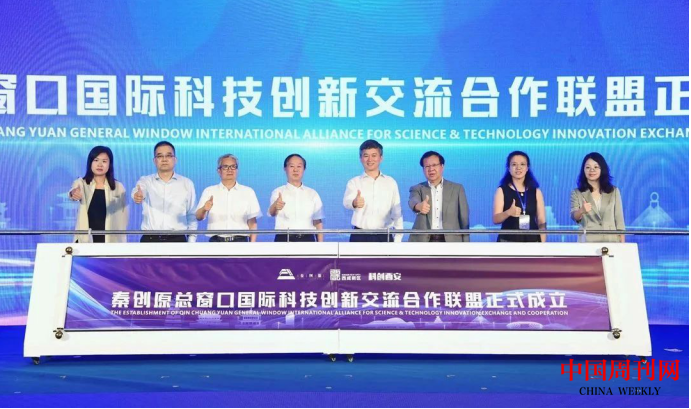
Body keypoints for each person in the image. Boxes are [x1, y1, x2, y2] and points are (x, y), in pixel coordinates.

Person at [132, 141, 197, 242]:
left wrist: (191, 241)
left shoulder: (187, 183)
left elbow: (191, 214)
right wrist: (137, 195)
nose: (164, 159)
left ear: (175, 159)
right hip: (150, 240)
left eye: (169, 155)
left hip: (177, 240)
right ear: (154, 161)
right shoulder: (146, 181)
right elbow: (138, 190)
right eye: (160, 156)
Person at [343, 140, 404, 242]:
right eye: (366, 155)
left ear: (381, 158)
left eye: (374, 155)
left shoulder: (390, 182)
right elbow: (346, 202)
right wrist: (354, 202)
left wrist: (398, 239)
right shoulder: (354, 182)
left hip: (384, 235)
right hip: (360, 236)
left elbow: (397, 212)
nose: (370, 159)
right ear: (360, 158)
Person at [68, 146, 128, 243]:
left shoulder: (118, 187)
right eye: (96, 160)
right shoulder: (81, 183)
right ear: (90, 163)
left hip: (111, 240)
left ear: (109, 164)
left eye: (104, 161)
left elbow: (123, 216)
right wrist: (73, 193)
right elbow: (72, 193)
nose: (100, 164)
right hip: (86, 239)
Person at [196, 154, 261, 242]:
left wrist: (252, 245)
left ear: (237, 170)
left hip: (240, 241)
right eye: (225, 167)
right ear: (219, 171)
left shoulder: (248, 192)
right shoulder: (209, 191)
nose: (230, 170)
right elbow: (198, 217)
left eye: (233, 166)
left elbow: (252, 222)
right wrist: (204, 209)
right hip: (216, 242)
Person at [408, 151, 469, 242]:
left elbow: (464, 219)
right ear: (423, 169)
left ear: (442, 166)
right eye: (427, 166)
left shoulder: (457, 189)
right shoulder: (417, 188)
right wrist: (418, 206)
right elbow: (413, 200)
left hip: (451, 240)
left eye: (434, 165)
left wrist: (466, 243)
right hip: (423, 241)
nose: (431, 169)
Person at [570, 152, 625, 243]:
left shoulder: (614, 191)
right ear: (583, 170)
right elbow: (574, 216)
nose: (592, 170)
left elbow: (619, 221)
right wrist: (581, 210)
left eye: (596, 167)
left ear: (602, 169)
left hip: (611, 241)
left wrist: (622, 245)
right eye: (588, 167)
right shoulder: (577, 192)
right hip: (588, 242)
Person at [269, 154, 324, 242]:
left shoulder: (312, 194)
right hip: (284, 238)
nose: (295, 170)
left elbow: (317, 221)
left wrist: (320, 245)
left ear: (304, 169)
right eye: (292, 166)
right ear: (285, 169)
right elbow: (272, 213)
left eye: (299, 166)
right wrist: (276, 206)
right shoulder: (278, 192)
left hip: (308, 239)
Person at [493, 151, 546, 242]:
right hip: (508, 242)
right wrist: (508, 212)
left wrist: (542, 243)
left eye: (522, 164)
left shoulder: (536, 191)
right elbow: (495, 219)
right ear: (508, 168)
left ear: (527, 168)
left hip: (532, 241)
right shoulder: (501, 190)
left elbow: (541, 221)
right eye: (514, 164)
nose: (518, 167)